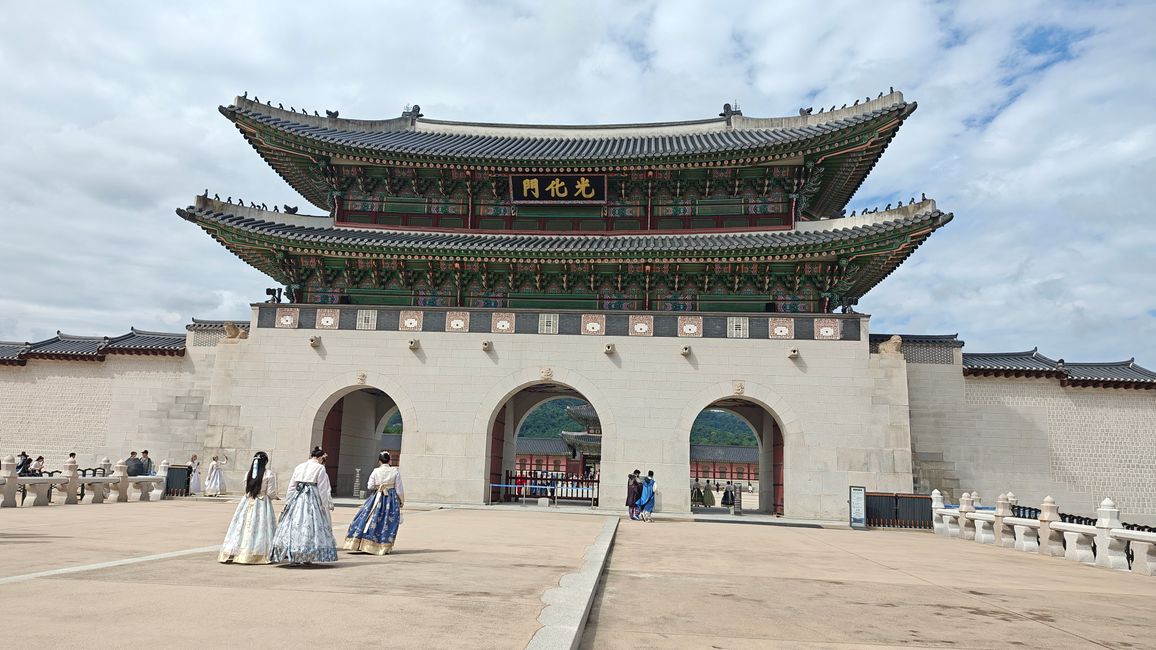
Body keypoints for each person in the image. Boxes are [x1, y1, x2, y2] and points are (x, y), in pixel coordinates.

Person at [270, 446, 337, 565]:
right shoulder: (320, 468)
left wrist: (288, 501)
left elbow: (292, 486)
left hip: (298, 496)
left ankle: (293, 553)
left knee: (295, 524)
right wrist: (325, 504)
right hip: (312, 497)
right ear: (321, 457)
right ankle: (307, 555)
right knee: (310, 525)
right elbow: (323, 488)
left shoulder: (299, 466)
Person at [218, 452, 278, 564]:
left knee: (242, 526)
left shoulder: (248, 474)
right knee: (260, 527)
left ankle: (236, 551)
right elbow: (271, 493)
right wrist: (274, 497)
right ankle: (257, 552)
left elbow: (245, 489)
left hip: (247, 501)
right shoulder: (268, 474)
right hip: (262, 502)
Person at [344, 451, 405, 555]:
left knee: (369, 518)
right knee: (387, 521)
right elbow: (399, 489)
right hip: (390, 499)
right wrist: (401, 501)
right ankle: (383, 546)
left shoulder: (376, 471)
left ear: (379, 461)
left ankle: (363, 543)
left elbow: (370, 486)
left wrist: (378, 486)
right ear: (389, 460)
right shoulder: (395, 471)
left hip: (377, 496)